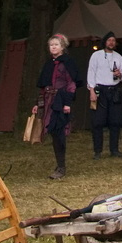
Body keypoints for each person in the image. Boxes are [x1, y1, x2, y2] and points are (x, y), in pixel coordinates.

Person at [34, 33, 82, 180]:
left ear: (62, 47)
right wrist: (38, 104)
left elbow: (71, 84)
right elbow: (43, 86)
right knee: (53, 133)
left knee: (59, 132)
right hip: (49, 100)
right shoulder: (49, 64)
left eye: (56, 45)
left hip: (60, 101)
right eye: (51, 45)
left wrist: (67, 103)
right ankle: (59, 164)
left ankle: (61, 167)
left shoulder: (67, 63)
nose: (53, 47)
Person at [87, 31, 122, 159]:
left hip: (114, 90)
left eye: (113, 40)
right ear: (105, 42)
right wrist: (92, 91)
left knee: (115, 121)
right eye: (109, 40)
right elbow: (91, 73)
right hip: (100, 90)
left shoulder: (118, 57)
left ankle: (114, 150)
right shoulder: (96, 55)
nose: (111, 42)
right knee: (98, 122)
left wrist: (120, 74)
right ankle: (97, 151)